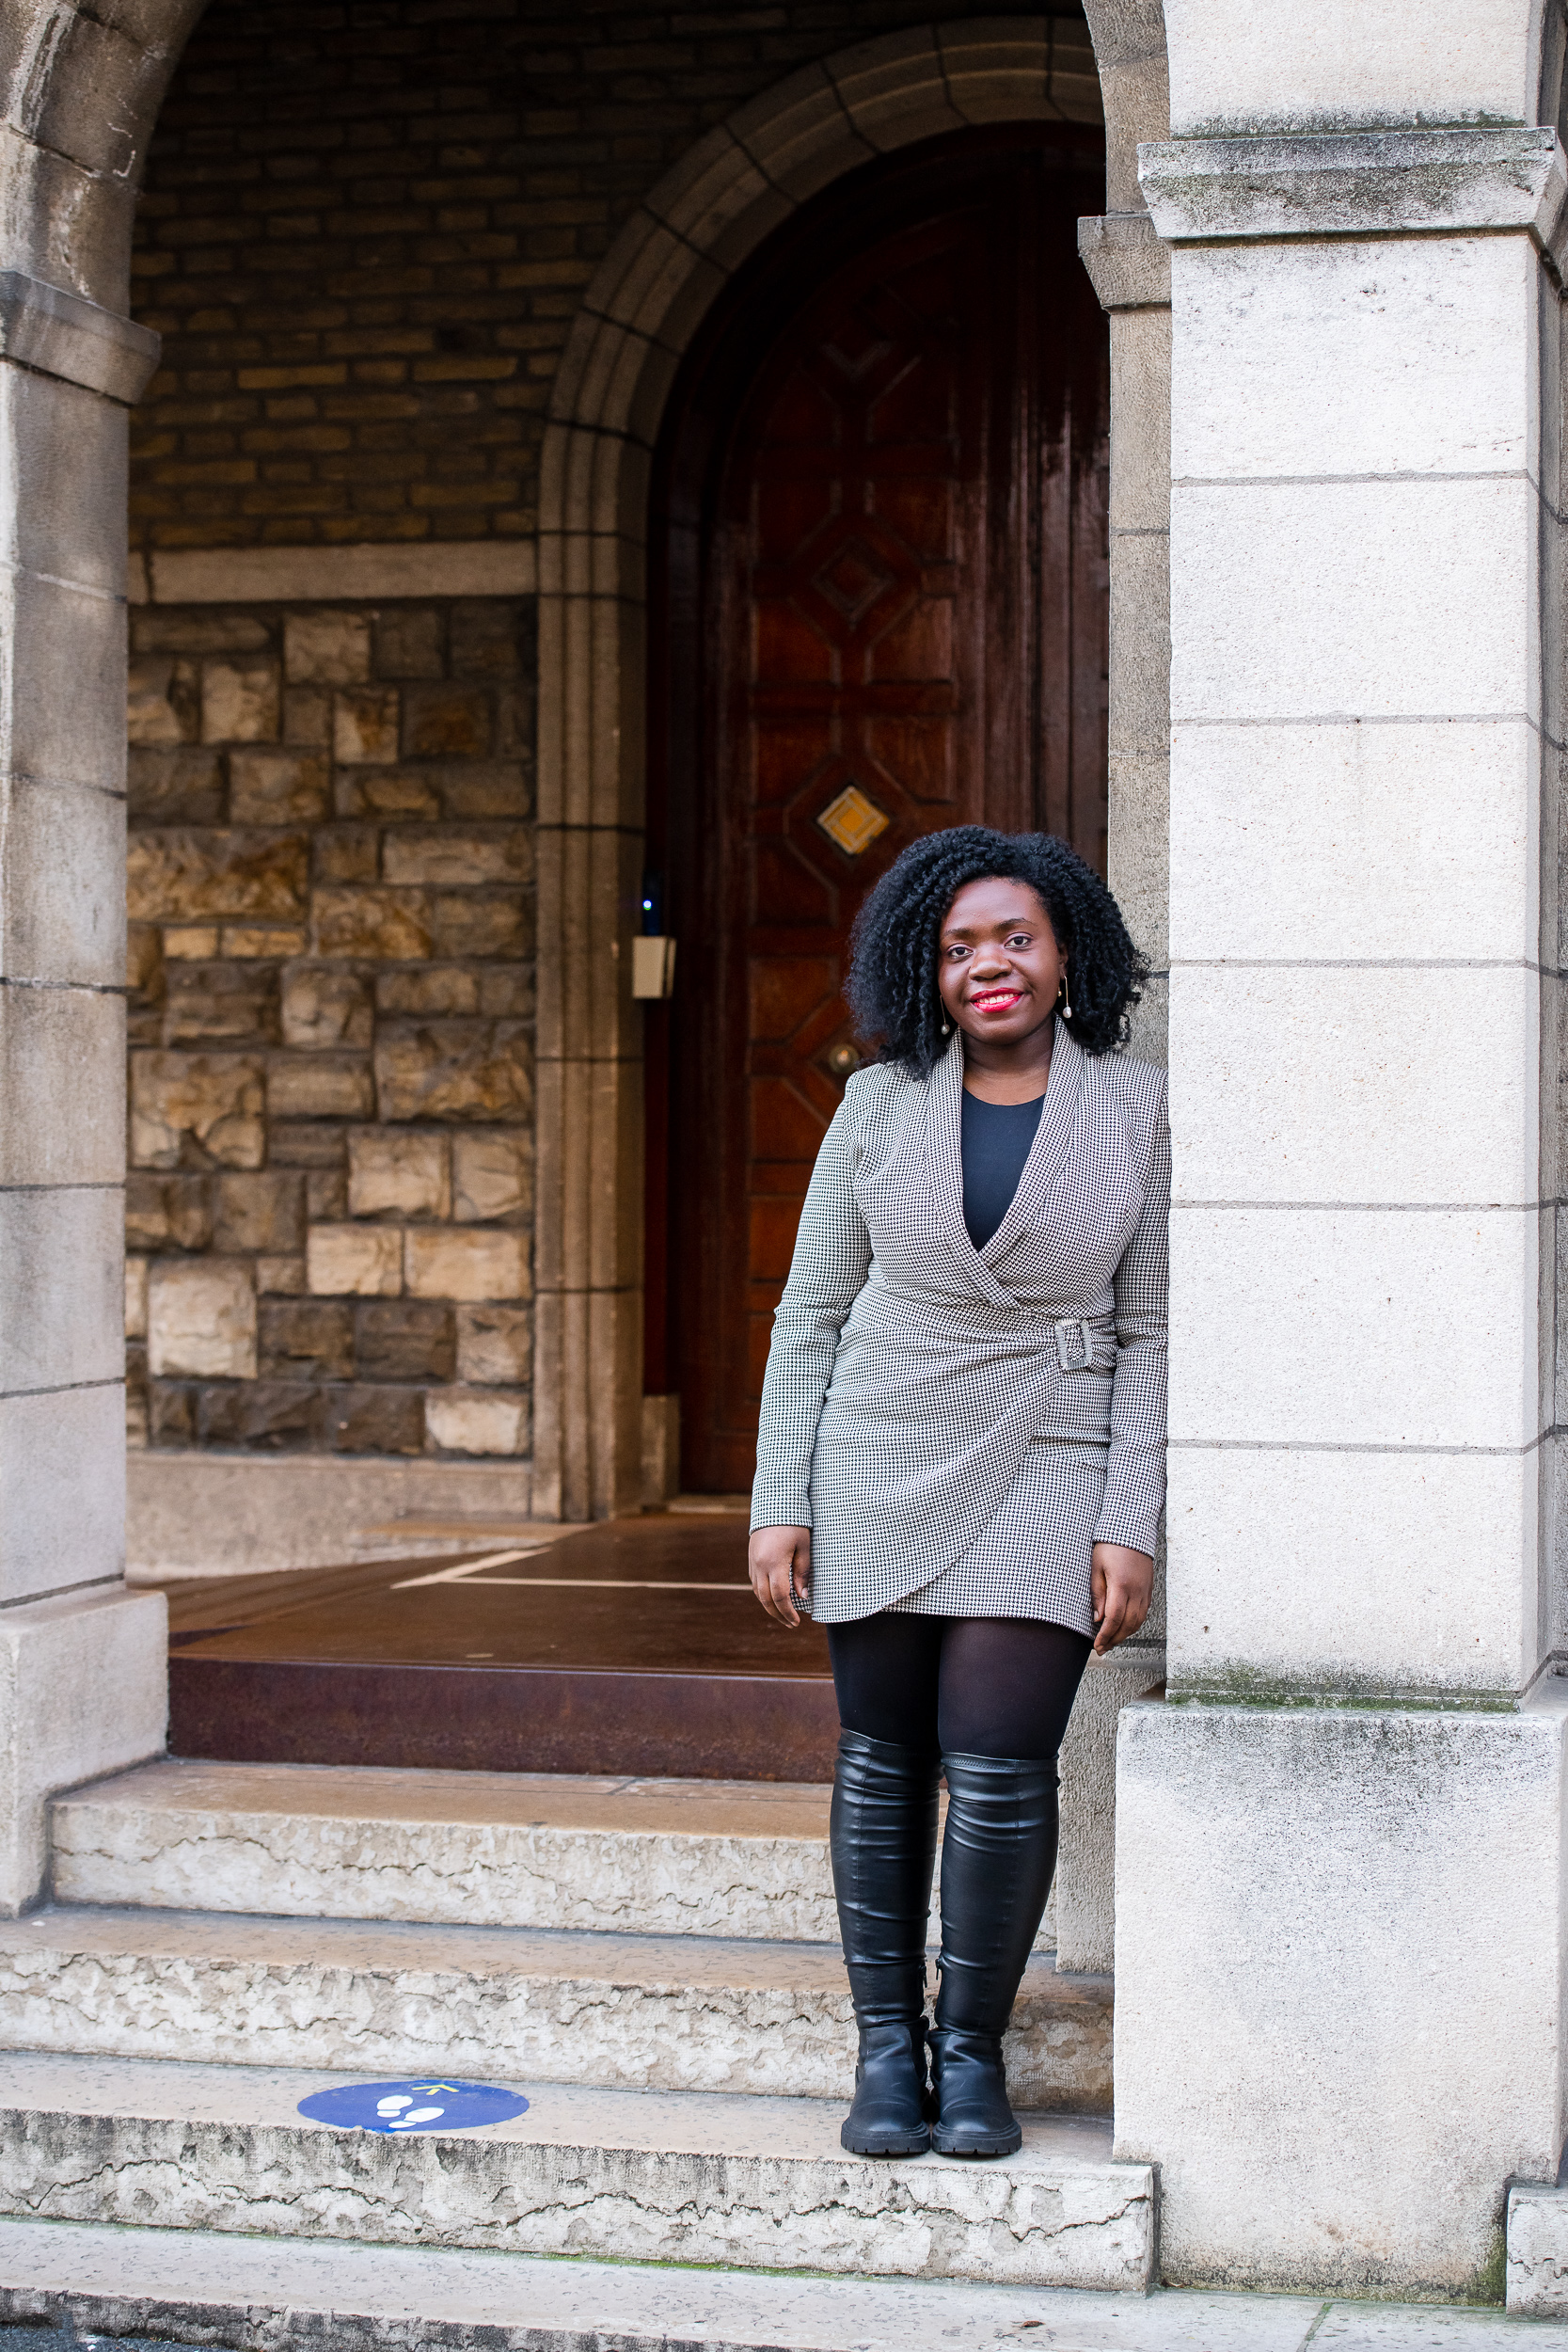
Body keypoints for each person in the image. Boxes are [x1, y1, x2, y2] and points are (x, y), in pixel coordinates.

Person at [748, 824, 1167, 2161]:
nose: (988, 965)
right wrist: (778, 1499)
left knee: (999, 1767)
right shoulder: (876, 1105)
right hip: (878, 1446)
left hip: (1052, 1450)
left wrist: (1128, 1520)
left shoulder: (1136, 1109)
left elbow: (1155, 1328)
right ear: (924, 973)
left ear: (1065, 959)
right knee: (882, 1761)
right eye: (957, 947)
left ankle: (972, 2052)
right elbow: (810, 1310)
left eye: (1016, 939)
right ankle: (888, 2052)